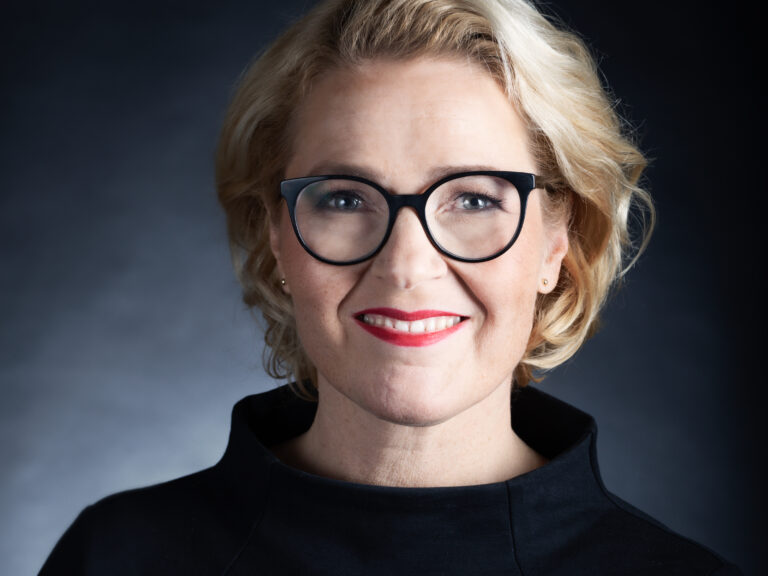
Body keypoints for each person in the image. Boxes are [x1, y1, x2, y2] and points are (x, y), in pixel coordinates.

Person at [40, 0, 741, 574]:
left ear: (558, 243)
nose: (406, 266)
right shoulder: (113, 559)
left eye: (474, 199)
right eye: (345, 199)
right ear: (276, 235)